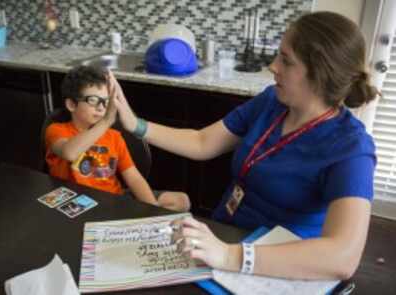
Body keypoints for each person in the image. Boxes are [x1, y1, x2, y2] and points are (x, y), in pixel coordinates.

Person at [109, 11, 379, 281]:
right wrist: (135, 125)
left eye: (286, 60)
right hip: (227, 235)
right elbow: (202, 142)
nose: (273, 66)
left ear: (320, 74)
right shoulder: (272, 101)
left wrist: (231, 256)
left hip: (278, 265)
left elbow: (343, 257)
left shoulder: (351, 148)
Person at [45, 65, 190, 212]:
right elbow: (70, 153)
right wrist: (107, 121)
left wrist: (153, 209)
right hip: (78, 203)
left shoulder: (114, 137)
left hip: (115, 199)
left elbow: (134, 178)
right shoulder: (56, 130)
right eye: (93, 100)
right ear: (71, 104)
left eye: (106, 101)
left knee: (181, 200)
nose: (101, 108)